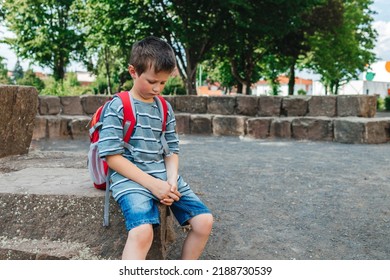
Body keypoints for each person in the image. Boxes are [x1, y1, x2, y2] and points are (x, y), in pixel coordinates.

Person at [98, 36, 213, 260]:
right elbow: (111, 156)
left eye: (163, 82)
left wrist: (170, 181)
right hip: (130, 179)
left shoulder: (164, 107)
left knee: (203, 221)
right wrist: (154, 185)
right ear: (133, 71)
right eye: (152, 81)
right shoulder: (118, 106)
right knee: (142, 232)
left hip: (162, 174)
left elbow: (171, 149)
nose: (158, 88)